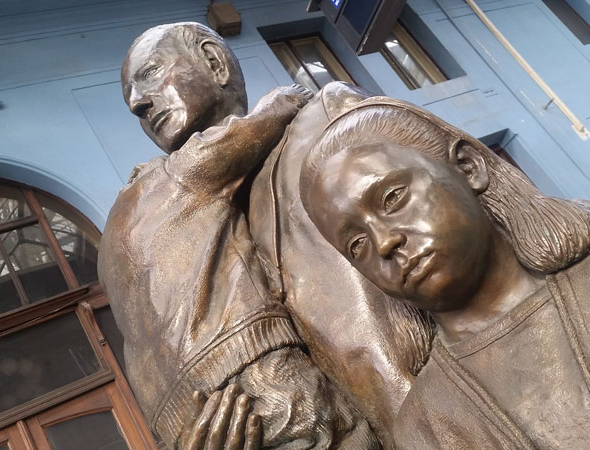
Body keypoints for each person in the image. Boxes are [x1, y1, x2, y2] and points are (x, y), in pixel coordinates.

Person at [300, 97, 590, 449]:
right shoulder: (429, 425)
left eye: (392, 198)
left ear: (468, 167)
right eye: (357, 244)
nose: (385, 243)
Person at [99, 23, 383, 448]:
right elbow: (230, 143)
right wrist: (284, 100)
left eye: (151, 73)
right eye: (132, 98)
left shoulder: (329, 120)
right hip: (254, 378)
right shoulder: (170, 181)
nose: (139, 104)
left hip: (183, 423)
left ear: (213, 61)